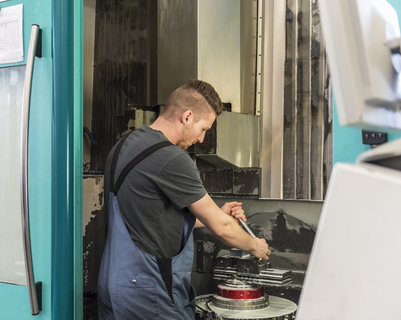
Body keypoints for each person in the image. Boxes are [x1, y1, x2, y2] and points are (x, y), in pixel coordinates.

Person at [97, 79, 271, 320]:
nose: (201, 139)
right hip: (149, 291)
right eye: (204, 129)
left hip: (114, 285)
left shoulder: (122, 146)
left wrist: (214, 213)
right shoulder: (171, 158)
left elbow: (148, 220)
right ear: (187, 116)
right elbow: (222, 227)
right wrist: (255, 246)